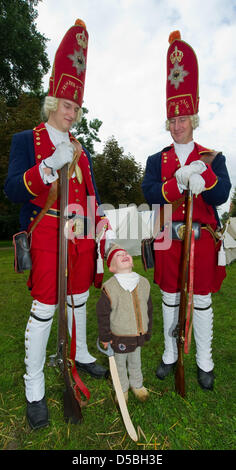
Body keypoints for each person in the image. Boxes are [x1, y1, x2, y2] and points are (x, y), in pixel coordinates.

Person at [4, 19, 114, 430]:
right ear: (53, 104)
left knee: (80, 298)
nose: (71, 114)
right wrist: (48, 166)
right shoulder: (26, 140)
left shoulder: (82, 151)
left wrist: (100, 221)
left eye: (76, 108)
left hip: (80, 235)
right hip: (47, 232)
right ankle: (35, 387)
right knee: (46, 308)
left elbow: (93, 196)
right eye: (66, 106)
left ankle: (81, 353)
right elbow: (13, 189)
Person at [142, 31, 231, 391]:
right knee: (170, 297)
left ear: (193, 118)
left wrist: (203, 176)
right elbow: (151, 194)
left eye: (183, 119)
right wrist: (177, 183)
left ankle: (204, 361)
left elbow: (222, 194)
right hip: (167, 237)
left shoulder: (214, 156)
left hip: (202, 239)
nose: (178, 126)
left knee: (203, 299)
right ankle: (169, 354)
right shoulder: (155, 159)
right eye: (172, 121)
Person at [96, 244, 153, 402]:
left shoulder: (143, 283)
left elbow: (149, 308)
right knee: (120, 364)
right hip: (119, 336)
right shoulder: (110, 287)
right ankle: (122, 388)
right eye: (118, 255)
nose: (124, 255)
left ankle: (137, 385)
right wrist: (105, 336)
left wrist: (148, 329)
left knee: (136, 361)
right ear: (112, 267)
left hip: (138, 334)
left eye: (125, 253)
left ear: (132, 262)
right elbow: (103, 314)